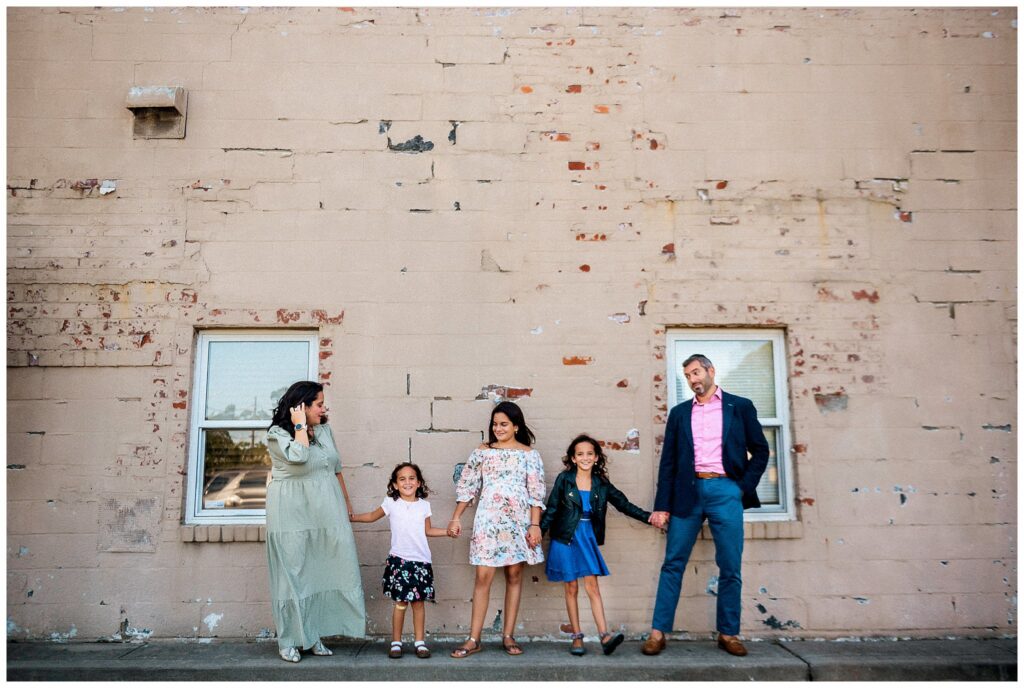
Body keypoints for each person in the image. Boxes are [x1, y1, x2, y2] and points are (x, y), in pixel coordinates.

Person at [643, 354, 770, 658]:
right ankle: (658, 633)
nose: (693, 380)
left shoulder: (740, 407)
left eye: (697, 372)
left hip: (726, 490)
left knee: (730, 566)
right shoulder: (679, 414)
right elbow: (669, 463)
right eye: (687, 376)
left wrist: (740, 488)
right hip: (687, 492)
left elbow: (761, 451)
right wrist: (662, 506)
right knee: (673, 562)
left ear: (711, 371)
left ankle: (728, 633)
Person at [264, 381, 366, 663]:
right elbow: (298, 457)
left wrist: (346, 504)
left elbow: (335, 468)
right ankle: (289, 640)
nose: (324, 408)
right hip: (291, 512)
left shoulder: (323, 430)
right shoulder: (276, 435)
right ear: (301, 406)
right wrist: (298, 426)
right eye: (319, 404)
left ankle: (313, 635)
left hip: (326, 511)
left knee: (320, 570)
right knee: (293, 574)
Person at [447, 401, 546, 658]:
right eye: (495, 424)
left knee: (514, 575)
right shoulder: (482, 452)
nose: (498, 428)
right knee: (483, 576)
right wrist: (456, 517)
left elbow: (535, 494)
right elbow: (468, 487)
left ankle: (508, 635)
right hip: (488, 521)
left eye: (503, 424)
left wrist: (534, 524)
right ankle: (473, 638)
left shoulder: (529, 455)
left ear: (515, 426)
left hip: (518, 522)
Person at [541, 434, 652, 656]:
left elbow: (623, 504)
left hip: (587, 537)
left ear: (596, 457)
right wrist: (537, 535)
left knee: (592, 586)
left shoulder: (601, 484)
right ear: (573, 458)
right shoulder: (565, 480)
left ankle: (605, 636)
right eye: (580, 454)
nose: (585, 458)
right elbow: (552, 509)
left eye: (589, 454)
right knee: (571, 587)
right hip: (565, 537)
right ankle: (577, 638)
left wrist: (648, 517)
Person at [350, 463, 451, 659]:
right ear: (395, 485)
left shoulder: (424, 505)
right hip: (399, 561)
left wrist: (447, 532)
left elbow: (428, 530)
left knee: (419, 603)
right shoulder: (390, 502)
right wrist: (351, 518)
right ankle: (396, 642)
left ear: (419, 482)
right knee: (400, 603)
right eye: (402, 479)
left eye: (411, 478)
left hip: (421, 561)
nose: (407, 482)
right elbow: (372, 516)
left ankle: (420, 642)